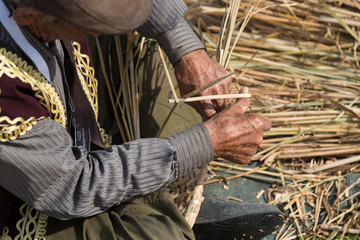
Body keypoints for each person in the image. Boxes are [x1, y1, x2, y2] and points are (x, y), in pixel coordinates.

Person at [0, 0, 283, 239]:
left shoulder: (43, 14)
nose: (96, 35)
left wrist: (187, 52)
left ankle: (164, 199)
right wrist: (203, 143)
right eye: (87, 26)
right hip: (36, 199)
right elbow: (71, 188)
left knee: (152, 42)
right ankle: (166, 207)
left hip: (78, 135)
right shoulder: (5, 86)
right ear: (28, 16)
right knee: (161, 235)